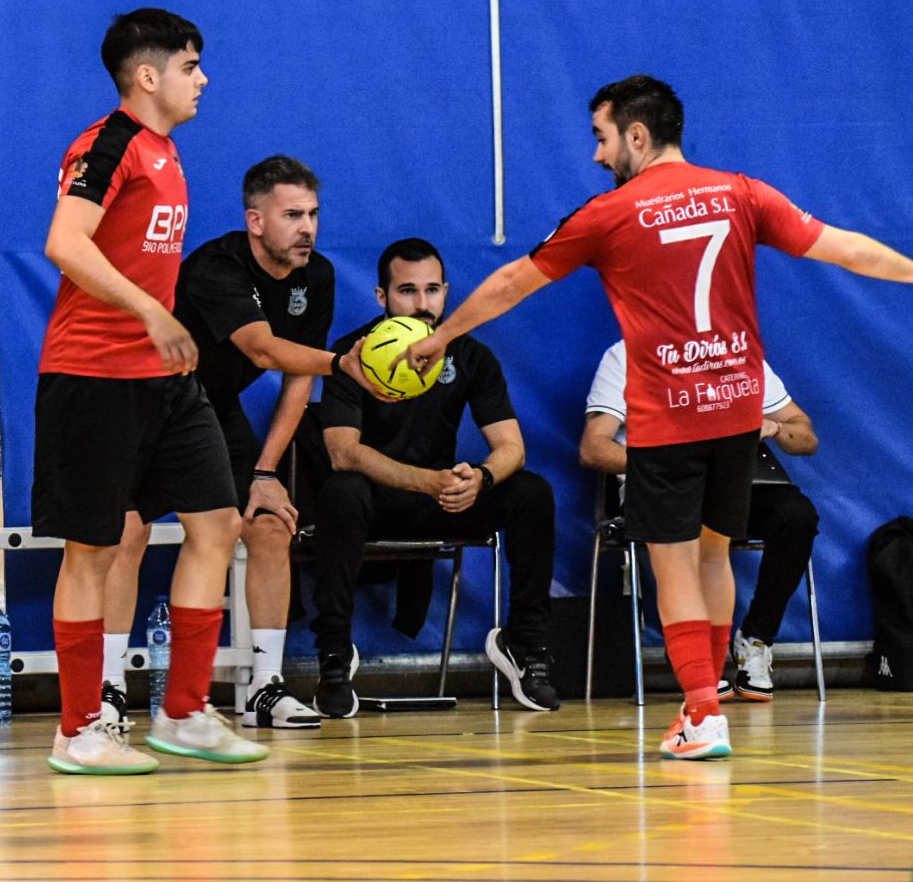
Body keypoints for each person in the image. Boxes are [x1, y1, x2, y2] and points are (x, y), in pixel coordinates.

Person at [398, 74, 913, 759]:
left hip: (671, 415)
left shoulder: (609, 213)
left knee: (672, 566)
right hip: (734, 407)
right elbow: (844, 247)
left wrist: (440, 337)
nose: (596, 156)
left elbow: (511, 281)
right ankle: (716, 700)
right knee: (714, 556)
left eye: (601, 138)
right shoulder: (742, 192)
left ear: (637, 135)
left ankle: (702, 715)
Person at [35, 8, 268, 775]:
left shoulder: (167, 154)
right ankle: (77, 731)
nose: (203, 80)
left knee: (219, 523)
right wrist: (148, 310)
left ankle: (185, 713)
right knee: (94, 550)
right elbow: (64, 243)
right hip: (93, 377)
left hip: (164, 381)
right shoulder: (111, 144)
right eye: (191, 65)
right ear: (148, 75)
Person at [102, 155, 336, 731]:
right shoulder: (216, 266)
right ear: (255, 221)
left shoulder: (319, 276)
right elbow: (263, 350)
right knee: (124, 532)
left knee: (269, 523)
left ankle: (264, 687)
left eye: (312, 214)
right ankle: (105, 690)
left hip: (213, 406)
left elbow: (299, 378)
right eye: (291, 216)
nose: (305, 227)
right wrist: (349, 366)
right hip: (149, 398)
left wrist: (265, 471)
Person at [308, 238, 559, 717]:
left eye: (431, 291)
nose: (422, 305)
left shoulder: (469, 354)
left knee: (532, 493)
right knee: (340, 492)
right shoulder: (352, 353)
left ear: (446, 292)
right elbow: (343, 452)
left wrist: (481, 478)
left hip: (442, 502)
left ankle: (524, 646)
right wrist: (427, 480)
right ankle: (334, 657)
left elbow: (513, 448)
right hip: (376, 502)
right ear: (382, 297)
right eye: (407, 291)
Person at [581, 340, 820, 701]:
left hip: (735, 477)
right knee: (690, 528)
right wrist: (664, 465)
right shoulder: (625, 355)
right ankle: (691, 652)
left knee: (796, 516)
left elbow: (804, 436)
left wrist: (770, 425)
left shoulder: (737, 352)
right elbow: (594, 448)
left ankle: (755, 640)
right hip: (664, 482)